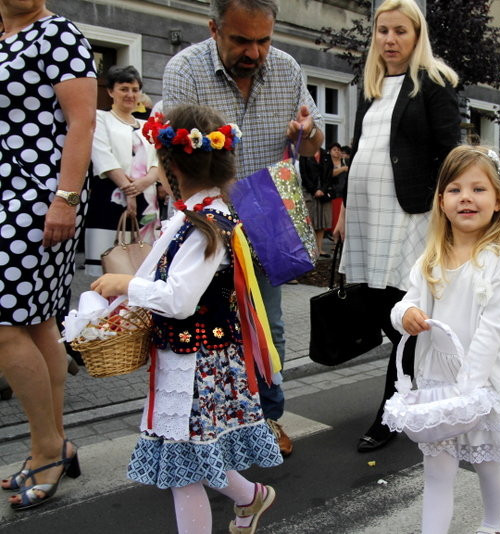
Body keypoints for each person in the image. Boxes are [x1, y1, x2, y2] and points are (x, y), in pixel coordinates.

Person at [91, 105, 283, 534]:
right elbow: (157, 273)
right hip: (186, 357)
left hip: (198, 360)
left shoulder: (204, 224)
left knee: (185, 469)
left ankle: (252, 498)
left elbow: (178, 299)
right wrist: (117, 300)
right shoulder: (191, 214)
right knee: (193, 457)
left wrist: (125, 286)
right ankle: (252, 498)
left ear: (169, 164)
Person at [161, 0, 325, 456]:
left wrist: (308, 131)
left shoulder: (288, 69)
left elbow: (314, 143)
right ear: (214, 29)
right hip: (207, 220)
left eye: (264, 40)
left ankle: (267, 419)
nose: (254, 52)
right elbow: (176, 152)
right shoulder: (185, 70)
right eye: (241, 40)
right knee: (205, 327)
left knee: (268, 325)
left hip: (268, 219)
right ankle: (210, 425)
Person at [388, 145, 500, 534]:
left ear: (497, 201)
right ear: (441, 202)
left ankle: (492, 525)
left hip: (484, 381)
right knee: (438, 470)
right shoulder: (431, 258)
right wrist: (404, 315)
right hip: (438, 379)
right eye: (455, 190)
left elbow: (492, 330)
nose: (466, 198)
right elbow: (408, 300)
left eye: (478, 189)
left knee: (488, 460)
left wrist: (469, 392)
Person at [333, 0, 461, 452]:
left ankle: (391, 413)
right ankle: (422, 382)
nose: (390, 40)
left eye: (400, 31)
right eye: (383, 31)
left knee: (402, 314)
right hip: (368, 214)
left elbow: (451, 153)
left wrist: (450, 212)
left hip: (410, 214)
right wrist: (345, 208)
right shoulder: (369, 84)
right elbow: (358, 148)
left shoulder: (433, 83)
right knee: (374, 305)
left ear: (417, 35)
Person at [0, 1, 96, 509]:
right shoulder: (2, 36)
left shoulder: (56, 33)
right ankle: (56, 442)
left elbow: (82, 122)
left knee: (4, 324)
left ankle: (46, 447)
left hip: (40, 197)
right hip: (5, 195)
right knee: (37, 323)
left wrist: (65, 197)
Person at [86, 65, 161, 276]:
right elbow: (103, 156)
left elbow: (158, 162)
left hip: (147, 202)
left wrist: (145, 182)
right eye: (124, 89)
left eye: (135, 89)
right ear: (110, 91)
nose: (130, 94)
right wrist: (129, 189)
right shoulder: (101, 118)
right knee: (110, 268)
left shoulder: (148, 125)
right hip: (111, 199)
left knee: (142, 266)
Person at [299, 148, 332, 257]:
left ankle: (320, 248)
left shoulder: (326, 154)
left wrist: (323, 189)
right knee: (310, 220)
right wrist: (314, 190)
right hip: (309, 192)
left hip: (323, 193)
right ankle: (311, 249)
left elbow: (329, 173)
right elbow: (304, 174)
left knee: (322, 221)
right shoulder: (304, 154)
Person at [328, 142, 350, 229]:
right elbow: (330, 174)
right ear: (330, 152)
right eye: (334, 150)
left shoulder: (345, 161)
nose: (337, 152)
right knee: (333, 216)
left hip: (343, 191)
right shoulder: (327, 163)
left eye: (338, 150)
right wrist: (343, 169)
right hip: (332, 192)